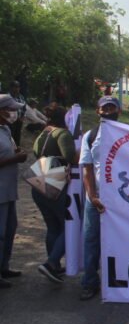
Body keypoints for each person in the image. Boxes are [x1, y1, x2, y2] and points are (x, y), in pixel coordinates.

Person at [79, 96, 121, 300]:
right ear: (98, 111)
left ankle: (123, 279)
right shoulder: (90, 136)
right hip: (96, 198)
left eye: (111, 108)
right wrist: (92, 196)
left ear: (118, 111)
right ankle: (90, 281)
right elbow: (86, 168)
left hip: (123, 199)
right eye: (104, 109)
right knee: (91, 239)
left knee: (125, 239)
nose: (107, 112)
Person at [31, 105, 76, 283]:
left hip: (38, 180)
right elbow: (70, 156)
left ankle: (54, 266)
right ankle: (51, 263)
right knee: (68, 226)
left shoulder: (44, 133)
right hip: (54, 183)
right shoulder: (62, 134)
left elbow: (36, 153)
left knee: (53, 227)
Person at [0, 94, 28, 288]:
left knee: (10, 230)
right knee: (0, 233)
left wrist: (17, 153)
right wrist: (14, 159)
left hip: (9, 190)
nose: (13, 112)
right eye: (10, 109)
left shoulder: (6, 129)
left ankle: (4, 266)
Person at [8, 81, 26, 145]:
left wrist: (22, 117)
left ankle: (17, 149)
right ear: (11, 88)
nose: (17, 89)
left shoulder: (21, 97)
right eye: (15, 87)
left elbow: (24, 108)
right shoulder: (7, 97)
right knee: (10, 135)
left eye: (18, 87)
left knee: (17, 136)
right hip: (10, 121)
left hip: (19, 120)